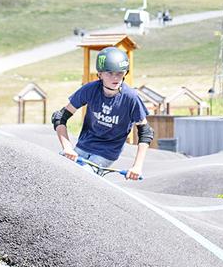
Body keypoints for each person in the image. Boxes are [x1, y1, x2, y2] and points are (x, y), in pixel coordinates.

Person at [53, 46, 154, 180]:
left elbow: (145, 132)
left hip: (107, 152)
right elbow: (60, 117)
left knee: (83, 175)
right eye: (109, 73)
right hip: (84, 145)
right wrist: (67, 147)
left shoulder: (131, 98)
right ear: (99, 74)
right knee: (61, 173)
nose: (115, 77)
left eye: (119, 73)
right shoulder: (90, 90)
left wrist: (137, 167)